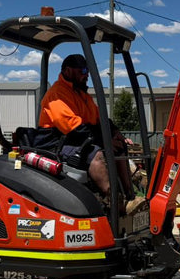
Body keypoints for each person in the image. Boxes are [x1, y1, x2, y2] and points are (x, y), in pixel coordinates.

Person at [39, 54, 133, 200]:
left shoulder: (81, 94)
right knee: (96, 154)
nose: (86, 75)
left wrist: (115, 132)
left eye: (87, 71)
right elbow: (74, 129)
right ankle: (115, 201)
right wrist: (104, 141)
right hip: (57, 142)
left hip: (77, 140)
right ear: (68, 71)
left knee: (119, 146)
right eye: (82, 71)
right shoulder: (57, 94)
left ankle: (129, 197)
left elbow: (98, 119)